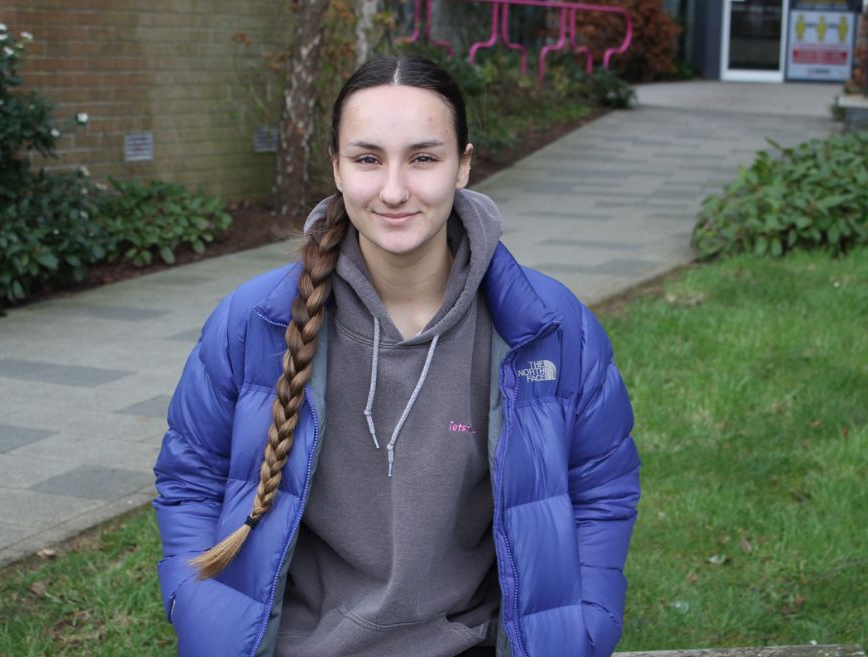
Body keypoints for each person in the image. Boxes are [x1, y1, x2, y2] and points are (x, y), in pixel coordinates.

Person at [152, 55, 641, 657]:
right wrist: (201, 611)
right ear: (335, 167)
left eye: (423, 157)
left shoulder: (551, 327)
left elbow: (602, 488)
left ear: (464, 165)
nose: (393, 190)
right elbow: (189, 479)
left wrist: (582, 627)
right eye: (367, 159)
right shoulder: (253, 323)